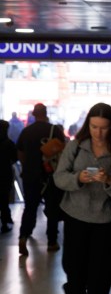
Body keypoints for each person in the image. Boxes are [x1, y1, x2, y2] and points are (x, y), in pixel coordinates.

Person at [53, 102, 111, 294]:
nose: (98, 132)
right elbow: (59, 177)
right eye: (94, 127)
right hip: (75, 218)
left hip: (105, 223)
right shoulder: (76, 146)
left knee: (100, 285)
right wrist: (77, 178)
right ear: (87, 124)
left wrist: (109, 181)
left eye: (103, 128)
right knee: (75, 278)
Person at [16, 103, 66, 255]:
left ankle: (23, 236)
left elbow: (20, 153)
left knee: (30, 207)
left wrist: (28, 166)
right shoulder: (54, 130)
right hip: (50, 176)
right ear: (46, 113)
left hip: (30, 175)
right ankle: (52, 242)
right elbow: (63, 151)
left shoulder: (26, 131)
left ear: (33, 114)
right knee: (52, 208)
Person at [0, 120, 18, 232]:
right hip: (5, 173)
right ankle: (5, 221)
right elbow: (15, 158)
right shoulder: (9, 143)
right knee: (4, 199)